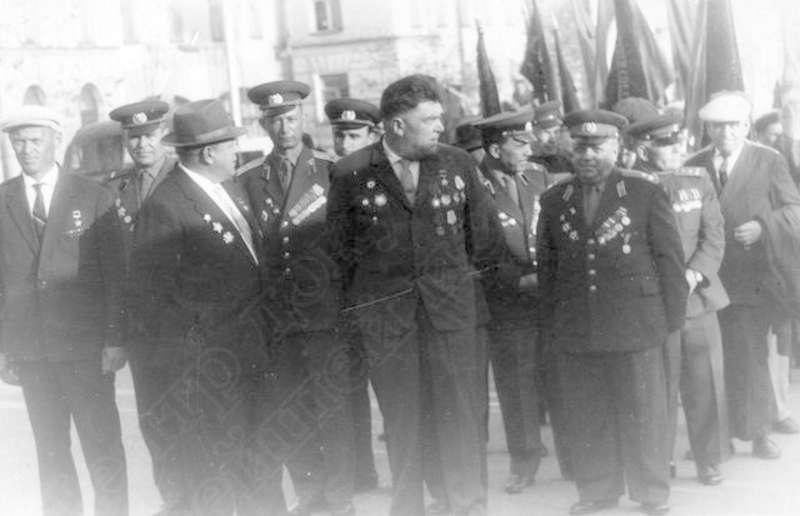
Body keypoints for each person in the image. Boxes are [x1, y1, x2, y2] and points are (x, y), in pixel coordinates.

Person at [327, 74, 502, 516]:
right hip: (388, 324)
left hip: (452, 317)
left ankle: (465, 505)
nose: (440, 126)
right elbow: (340, 255)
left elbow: (483, 239)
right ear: (397, 125)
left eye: (440, 118)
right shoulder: (351, 174)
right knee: (403, 421)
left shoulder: (458, 164)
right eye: (430, 119)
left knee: (460, 417)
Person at [128, 99, 284, 515]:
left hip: (250, 352)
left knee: (259, 462)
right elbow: (151, 299)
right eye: (231, 145)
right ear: (209, 153)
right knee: (215, 471)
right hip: (210, 368)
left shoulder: (227, 189)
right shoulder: (166, 206)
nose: (237, 152)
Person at [537, 109, 687, 516]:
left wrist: (670, 322)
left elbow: (670, 262)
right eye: (580, 146)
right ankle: (597, 491)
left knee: (644, 413)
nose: (587, 155)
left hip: (636, 325)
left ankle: (651, 492)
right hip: (577, 326)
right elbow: (548, 269)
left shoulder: (644, 193)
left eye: (597, 146)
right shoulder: (553, 200)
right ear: (569, 149)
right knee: (588, 412)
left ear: (616, 147)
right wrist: (553, 326)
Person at [0, 105, 129, 516]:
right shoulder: (2, 200)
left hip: (86, 351)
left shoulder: (93, 197)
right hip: (32, 353)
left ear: (56, 139)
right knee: (51, 453)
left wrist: (115, 339)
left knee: (102, 448)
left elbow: (115, 275)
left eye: (35, 140)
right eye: (18, 142)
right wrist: (4, 348)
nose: (26, 149)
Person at [239, 81, 355, 516]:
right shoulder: (250, 179)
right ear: (263, 125)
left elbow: (349, 245)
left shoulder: (331, 172)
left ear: (302, 118)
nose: (283, 128)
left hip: (326, 315)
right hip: (278, 319)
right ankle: (310, 493)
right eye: (274, 121)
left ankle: (340, 497)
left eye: (290, 118)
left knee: (333, 407)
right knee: (291, 409)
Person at [684, 90, 800, 460]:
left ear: (746, 126)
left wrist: (764, 227)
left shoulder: (768, 160)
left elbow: (794, 210)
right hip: (706, 278)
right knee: (708, 363)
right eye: (718, 126)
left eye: (733, 125)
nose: (726, 133)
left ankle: (758, 433)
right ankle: (715, 440)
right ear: (708, 129)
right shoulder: (694, 164)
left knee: (750, 356)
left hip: (751, 278)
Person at [627, 112, 731, 485]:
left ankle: (709, 459)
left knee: (705, 382)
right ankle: (661, 459)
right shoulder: (628, 186)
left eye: (677, 143)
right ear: (644, 149)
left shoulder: (697, 180)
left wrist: (695, 272)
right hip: (653, 303)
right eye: (665, 145)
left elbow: (714, 235)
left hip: (697, 298)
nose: (676, 150)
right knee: (658, 387)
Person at [473, 110, 545, 494]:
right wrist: (518, 280)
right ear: (495, 149)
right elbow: (474, 252)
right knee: (516, 385)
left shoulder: (537, 177)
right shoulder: (473, 186)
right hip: (506, 301)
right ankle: (524, 461)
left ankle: (576, 459)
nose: (528, 149)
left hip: (546, 296)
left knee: (560, 378)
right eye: (520, 143)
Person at [325, 96, 384, 493]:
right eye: (339, 136)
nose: (344, 144)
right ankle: (362, 473)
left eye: (353, 135)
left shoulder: (387, 176)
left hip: (384, 304)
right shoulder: (328, 177)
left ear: (372, 135)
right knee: (349, 391)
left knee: (399, 394)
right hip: (342, 306)